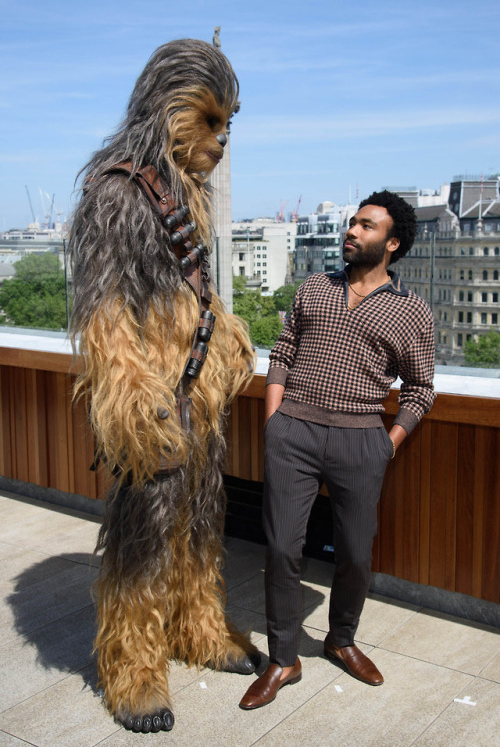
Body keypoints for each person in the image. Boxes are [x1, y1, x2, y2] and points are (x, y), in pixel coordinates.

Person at [69, 40, 258, 734]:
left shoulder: (187, 193)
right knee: (142, 536)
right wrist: (133, 394)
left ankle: (199, 627)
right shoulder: (117, 192)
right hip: (152, 400)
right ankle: (134, 667)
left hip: (198, 395)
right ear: (166, 109)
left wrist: (225, 333)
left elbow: (188, 290)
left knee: (206, 518)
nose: (222, 137)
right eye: (210, 120)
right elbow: (105, 309)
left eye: (227, 122)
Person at [239, 190, 436, 710]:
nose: (353, 231)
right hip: (293, 434)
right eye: (352, 223)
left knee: (353, 552)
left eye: (367, 226)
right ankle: (283, 658)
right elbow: (282, 353)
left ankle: (341, 639)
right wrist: (275, 421)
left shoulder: (411, 311)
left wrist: (387, 446)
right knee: (282, 548)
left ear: (392, 243)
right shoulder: (314, 288)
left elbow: (421, 388)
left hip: (361, 441)